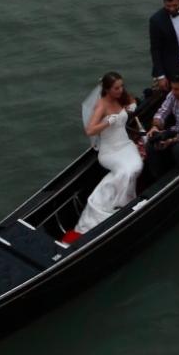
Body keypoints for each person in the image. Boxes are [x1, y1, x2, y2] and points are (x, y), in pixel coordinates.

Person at [69, 72, 144, 239]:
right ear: (107, 89)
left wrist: (131, 106)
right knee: (125, 171)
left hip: (125, 145)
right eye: (116, 88)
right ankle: (118, 205)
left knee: (136, 166)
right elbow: (90, 130)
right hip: (109, 151)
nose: (120, 90)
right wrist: (107, 122)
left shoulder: (121, 97)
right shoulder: (101, 105)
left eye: (121, 86)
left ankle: (123, 198)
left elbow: (132, 102)